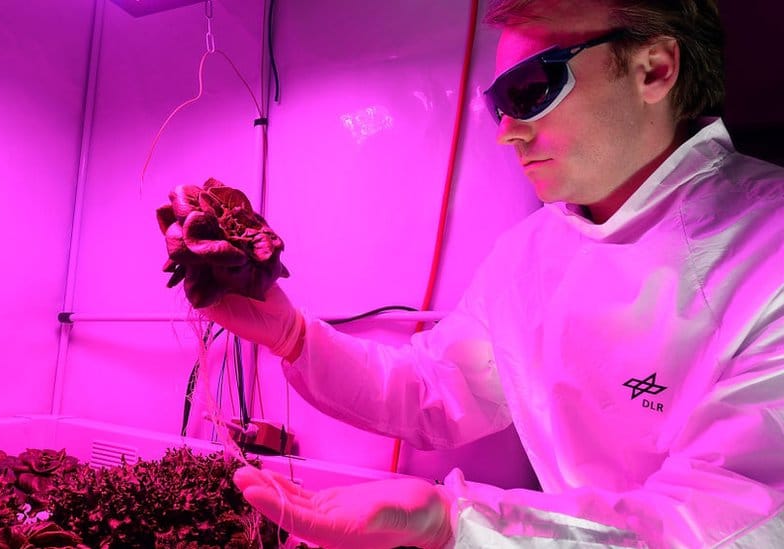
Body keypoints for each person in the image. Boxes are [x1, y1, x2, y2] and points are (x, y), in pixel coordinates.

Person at [200, 1, 784, 546]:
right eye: (498, 103)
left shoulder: (767, 249)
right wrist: (292, 336)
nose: (507, 130)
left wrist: (457, 523)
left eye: (532, 89)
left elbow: (729, 520)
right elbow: (434, 388)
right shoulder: (530, 253)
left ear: (654, 68)